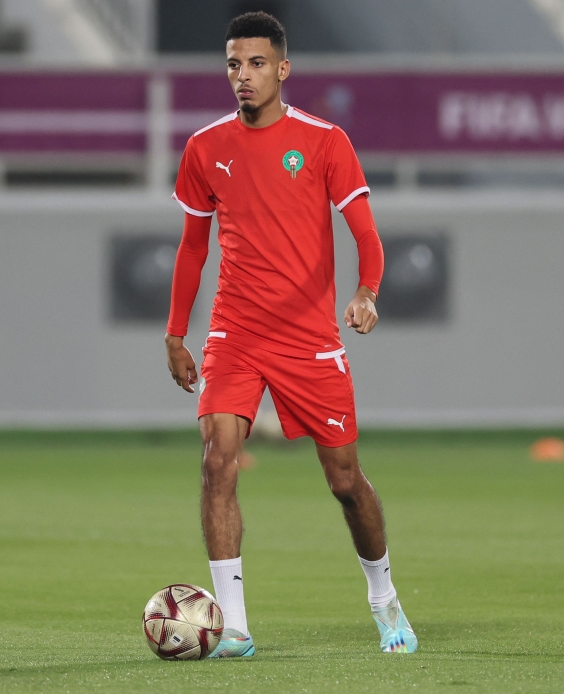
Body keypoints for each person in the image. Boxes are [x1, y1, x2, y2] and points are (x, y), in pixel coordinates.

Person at [164, 11, 417, 657]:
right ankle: (235, 627)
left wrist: (366, 292)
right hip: (234, 332)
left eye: (253, 64)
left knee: (345, 484)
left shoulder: (325, 140)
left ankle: (384, 598)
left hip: (307, 338)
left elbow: (365, 232)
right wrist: (175, 332)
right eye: (231, 64)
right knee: (217, 460)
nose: (241, 76)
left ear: (282, 68)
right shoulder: (204, 148)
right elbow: (193, 249)